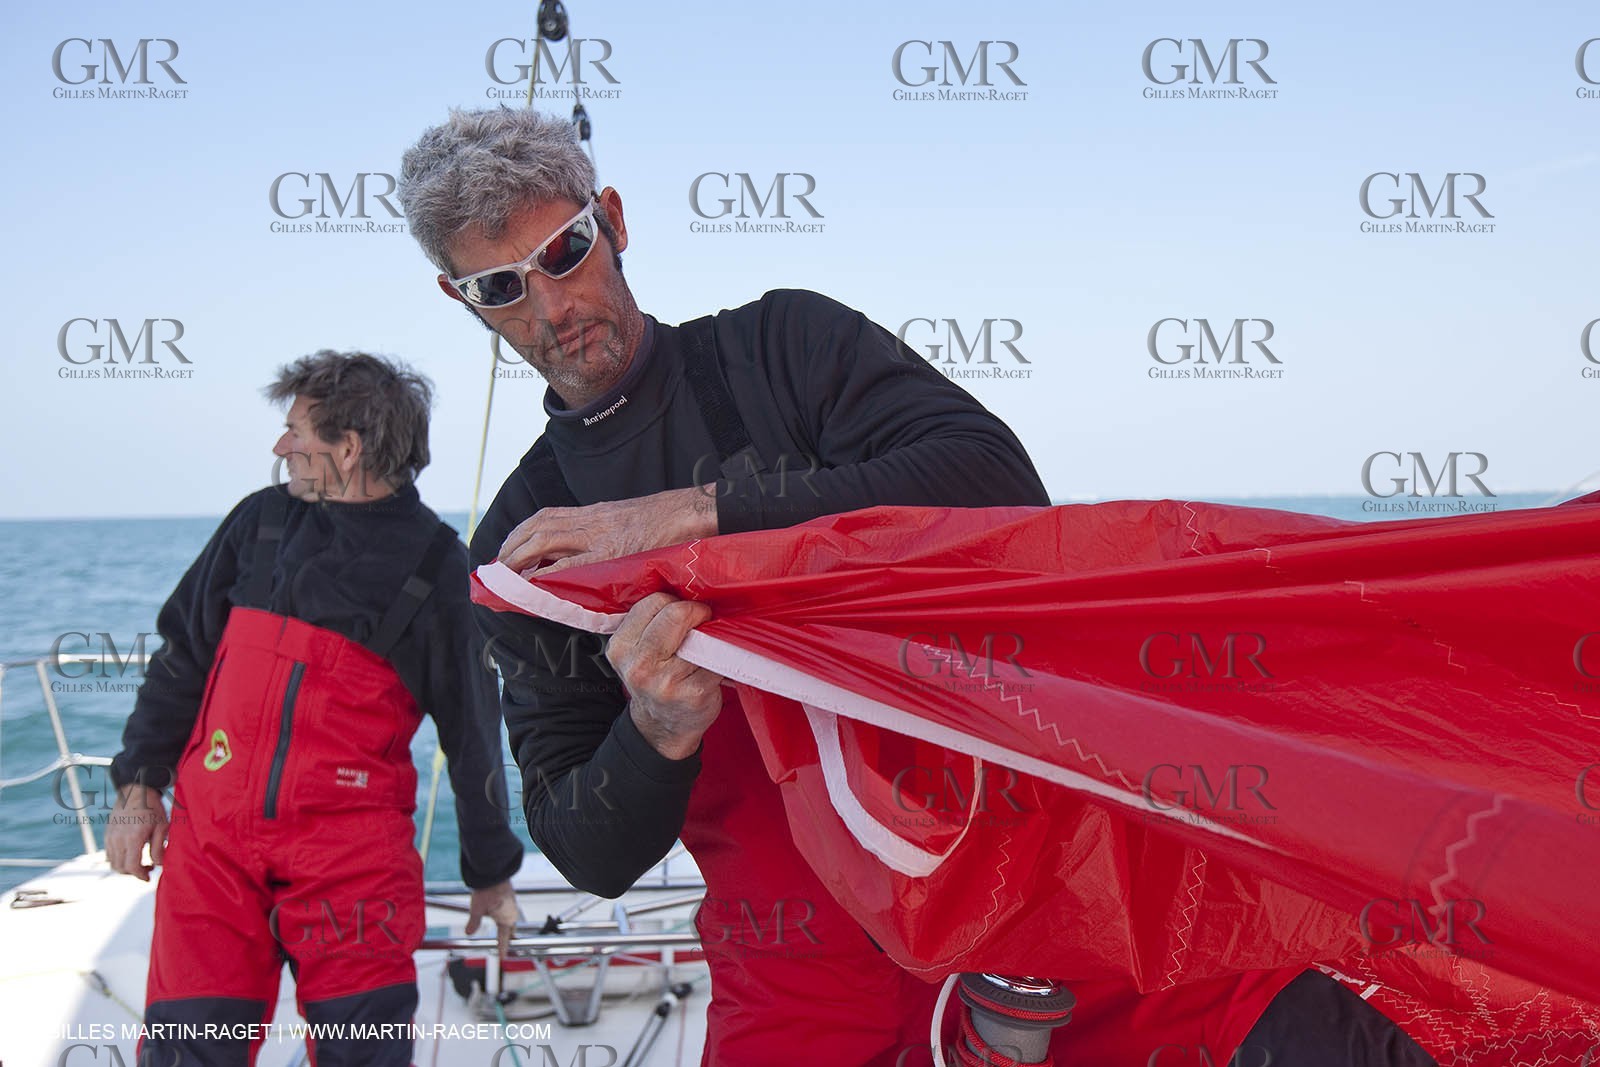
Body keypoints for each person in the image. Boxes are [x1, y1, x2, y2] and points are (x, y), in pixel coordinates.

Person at [397, 108, 1432, 1067]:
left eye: (565, 252)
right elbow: (587, 849)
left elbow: (994, 483)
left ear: (613, 222)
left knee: (1324, 1036)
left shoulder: (782, 347)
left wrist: (696, 514)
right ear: (460, 299)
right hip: (801, 979)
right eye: (502, 287)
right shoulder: (527, 546)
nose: (553, 304)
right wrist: (655, 731)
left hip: (1027, 905)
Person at [106, 351, 524, 1067]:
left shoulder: (439, 568)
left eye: (296, 430)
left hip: (352, 867)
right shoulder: (259, 522)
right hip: (212, 853)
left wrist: (490, 871)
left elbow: (473, 731)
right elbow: (182, 656)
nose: (280, 447)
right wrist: (138, 787)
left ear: (348, 448)